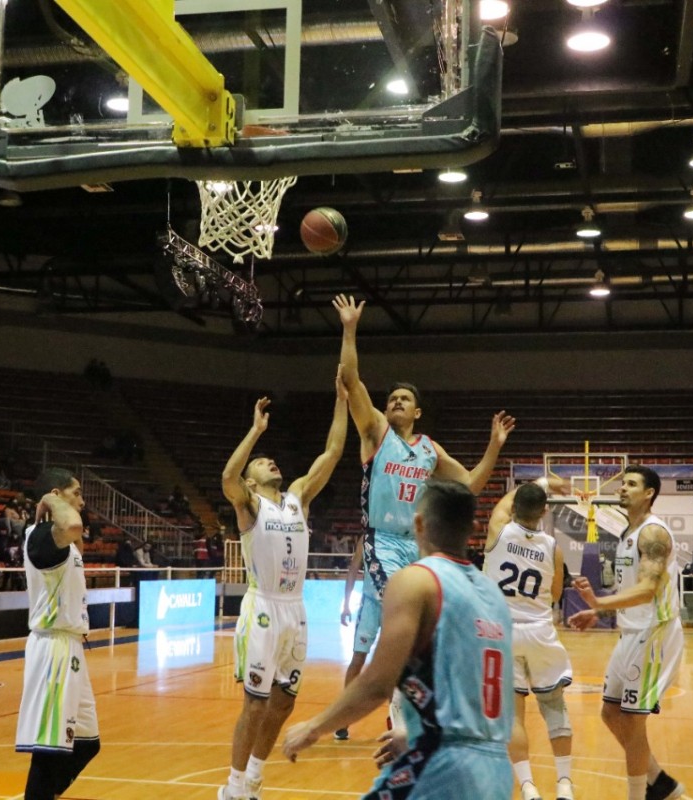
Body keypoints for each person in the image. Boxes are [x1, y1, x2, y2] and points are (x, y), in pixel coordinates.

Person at [331, 293, 514, 738]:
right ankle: (397, 718)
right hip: (380, 541)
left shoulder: (430, 449)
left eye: (402, 399)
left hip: (415, 547)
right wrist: (350, 328)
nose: (394, 401)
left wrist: (494, 447)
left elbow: (469, 485)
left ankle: (409, 711)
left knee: (418, 625)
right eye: (390, 397)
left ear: (417, 412)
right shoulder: (374, 432)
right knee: (405, 622)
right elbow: (350, 379)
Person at [282, 480, 514, 799]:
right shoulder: (493, 594)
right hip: (498, 770)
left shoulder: (417, 580)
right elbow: (468, 681)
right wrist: (412, 730)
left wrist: (313, 727)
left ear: (418, 523)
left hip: (443, 764)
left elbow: (377, 684)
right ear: (471, 528)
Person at [217, 367, 348, 800]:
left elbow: (332, 450)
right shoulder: (249, 504)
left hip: (296, 607)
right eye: (262, 461)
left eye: (269, 456)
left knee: (285, 701)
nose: (271, 460)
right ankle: (233, 788)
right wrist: (254, 432)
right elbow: (227, 480)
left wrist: (342, 399)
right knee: (255, 702)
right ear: (253, 480)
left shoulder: (297, 497)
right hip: (263, 608)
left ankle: (254, 777)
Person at [568, 465, 685, 800]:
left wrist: (600, 602)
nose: (622, 489)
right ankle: (661, 783)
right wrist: (597, 610)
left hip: (655, 632)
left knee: (634, 722)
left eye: (631, 484)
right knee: (610, 713)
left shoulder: (653, 534)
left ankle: (639, 795)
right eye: (622, 484)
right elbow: (633, 588)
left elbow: (648, 589)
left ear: (649, 494)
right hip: (631, 631)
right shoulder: (627, 533)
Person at [483, 481, 575, 800]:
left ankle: (528, 786)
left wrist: (543, 481)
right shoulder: (553, 548)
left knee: (513, 714)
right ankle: (564, 784)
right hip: (539, 630)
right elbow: (558, 592)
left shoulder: (498, 530)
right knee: (554, 706)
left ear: (514, 508)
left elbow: (502, 506)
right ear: (544, 511)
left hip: (502, 630)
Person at [14, 468, 100, 800]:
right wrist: (48, 501)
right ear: (56, 494)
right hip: (53, 649)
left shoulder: (60, 537)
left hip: (71, 647)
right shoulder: (41, 534)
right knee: (49, 751)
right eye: (75, 492)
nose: (81, 499)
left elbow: (74, 530)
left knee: (88, 743)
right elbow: (73, 525)